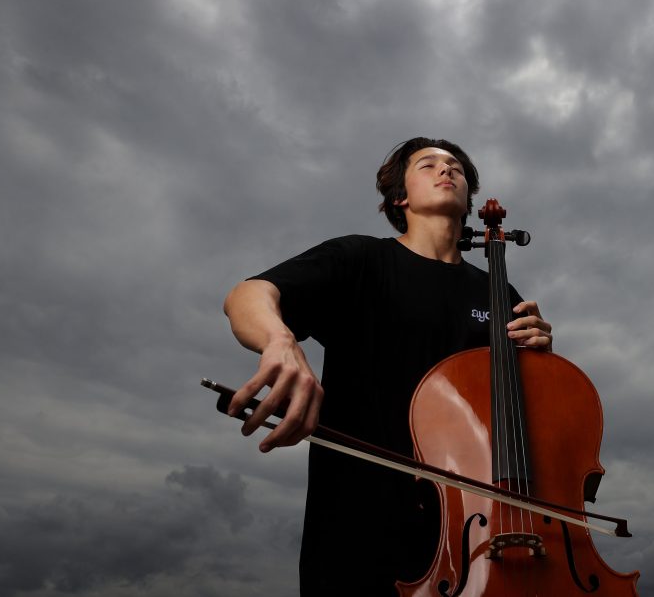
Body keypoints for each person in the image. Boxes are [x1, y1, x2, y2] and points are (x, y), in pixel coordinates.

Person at [222, 138, 553, 594]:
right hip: (361, 528)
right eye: (428, 164)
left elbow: (528, 424)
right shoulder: (361, 259)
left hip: (481, 536)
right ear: (401, 197)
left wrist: (540, 363)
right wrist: (280, 341)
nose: (447, 170)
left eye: (455, 165)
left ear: (468, 200)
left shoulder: (498, 293)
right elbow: (248, 295)